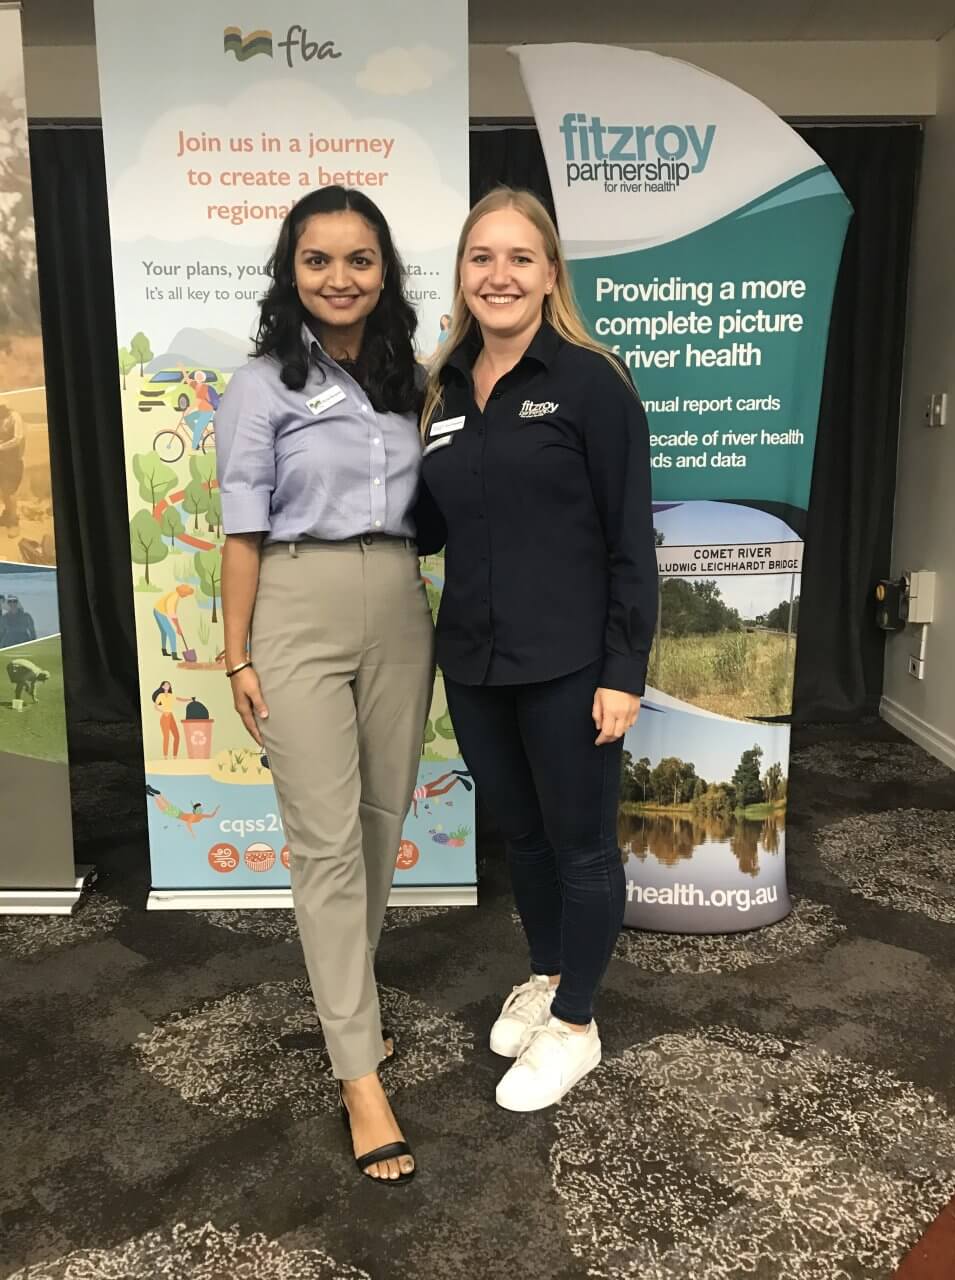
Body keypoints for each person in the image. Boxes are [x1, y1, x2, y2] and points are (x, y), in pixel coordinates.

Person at [419, 187, 658, 1112]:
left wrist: (623, 673)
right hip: (475, 663)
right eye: (482, 257)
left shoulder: (593, 383)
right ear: (462, 274)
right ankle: (549, 973)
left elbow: (631, 539)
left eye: (520, 257)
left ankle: (577, 1024)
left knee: (581, 846)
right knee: (521, 835)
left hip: (571, 665)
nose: (500, 275)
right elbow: (429, 524)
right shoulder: (444, 387)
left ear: (550, 273)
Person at [216, 185, 434, 1185]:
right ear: (290, 272)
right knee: (325, 839)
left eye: (359, 259)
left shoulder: (412, 383)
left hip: (398, 600)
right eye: (318, 260)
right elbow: (242, 530)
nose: (339, 277)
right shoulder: (261, 385)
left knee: (382, 820)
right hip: (295, 602)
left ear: (383, 273)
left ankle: (353, 1007)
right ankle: (359, 1074)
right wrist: (237, 653)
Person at [0, 404, 25, 531]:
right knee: (4, 491)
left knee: (10, 492)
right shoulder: (2, 417)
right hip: (2, 460)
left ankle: (14, 522)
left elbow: (17, 439)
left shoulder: (15, 417)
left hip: (13, 462)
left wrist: (1, 446)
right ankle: (7, 515)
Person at [152, 583, 194, 659]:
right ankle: (174, 655)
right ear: (182, 592)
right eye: (186, 594)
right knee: (171, 633)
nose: (186, 596)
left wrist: (178, 626)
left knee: (164, 632)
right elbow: (172, 613)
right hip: (159, 612)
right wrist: (178, 627)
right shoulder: (174, 597)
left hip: (157, 610)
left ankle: (164, 651)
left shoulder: (175, 595)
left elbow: (172, 613)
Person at [151, 680, 189, 759]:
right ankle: (165, 756)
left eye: (168, 685)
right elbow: (155, 706)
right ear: (162, 687)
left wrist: (190, 699)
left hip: (171, 716)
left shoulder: (172, 696)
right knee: (166, 737)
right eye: (166, 685)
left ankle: (175, 756)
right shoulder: (160, 695)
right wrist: (163, 712)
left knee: (177, 736)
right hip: (165, 717)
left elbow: (180, 699)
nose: (167, 686)